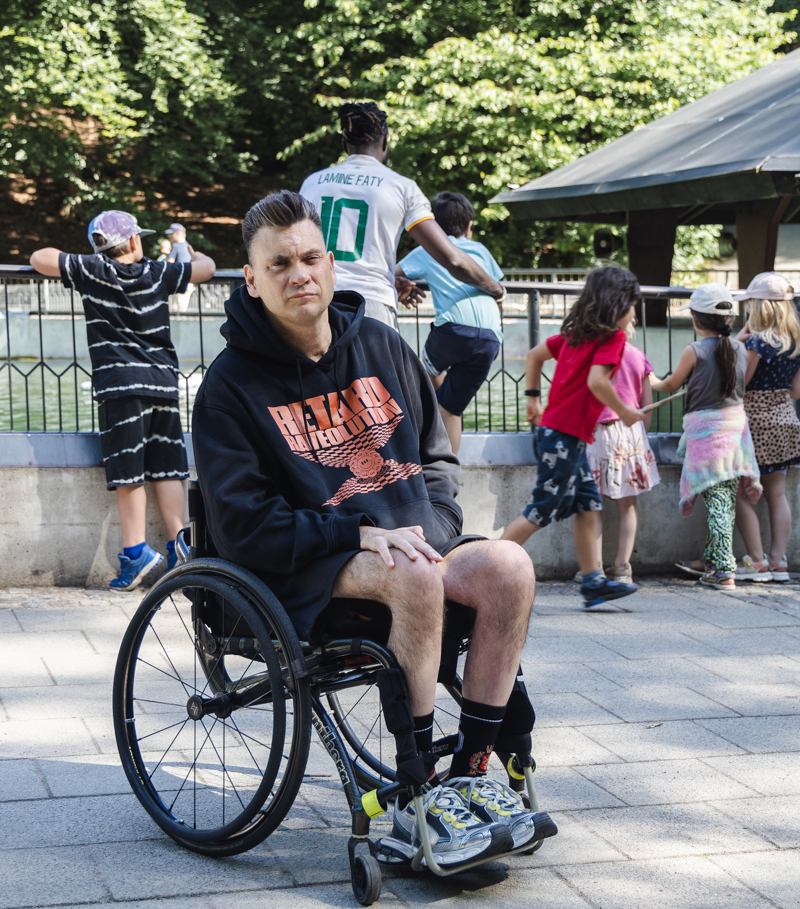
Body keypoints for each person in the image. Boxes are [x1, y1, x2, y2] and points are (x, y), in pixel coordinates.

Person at [191, 190, 552, 866]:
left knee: (509, 566)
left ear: (330, 265)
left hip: (412, 551)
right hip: (300, 573)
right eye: (279, 265)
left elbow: (437, 458)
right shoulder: (230, 387)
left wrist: (435, 524)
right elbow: (242, 526)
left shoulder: (382, 344)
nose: (298, 274)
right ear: (252, 279)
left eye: (308, 258)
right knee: (410, 571)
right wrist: (355, 534)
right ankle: (416, 790)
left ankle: (473, 772)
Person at [29, 211, 216, 590]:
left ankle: (136, 554)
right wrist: (188, 253)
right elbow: (208, 268)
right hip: (162, 383)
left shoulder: (91, 271)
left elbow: (39, 258)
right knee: (169, 467)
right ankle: (182, 546)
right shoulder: (160, 272)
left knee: (128, 471)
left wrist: (83, 259)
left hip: (120, 385)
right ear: (134, 242)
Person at [500, 265, 645, 610]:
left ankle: (593, 581)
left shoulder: (577, 332)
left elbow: (535, 355)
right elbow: (598, 382)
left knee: (588, 504)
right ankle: (484, 567)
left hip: (564, 436)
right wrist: (625, 411)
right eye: (633, 305)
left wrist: (533, 397)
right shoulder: (613, 338)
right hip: (564, 438)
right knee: (542, 510)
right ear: (618, 305)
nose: (635, 313)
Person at [298, 103, 504, 328]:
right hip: (371, 308)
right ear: (385, 141)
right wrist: (496, 289)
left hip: (317, 302)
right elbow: (453, 259)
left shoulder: (312, 183)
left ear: (344, 144)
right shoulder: (402, 187)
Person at [652, 283, 760, 590]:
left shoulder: (694, 350)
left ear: (697, 321)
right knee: (723, 496)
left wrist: (649, 378)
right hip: (736, 433)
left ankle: (724, 570)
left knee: (718, 502)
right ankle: (712, 557)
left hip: (707, 436)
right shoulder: (740, 349)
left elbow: (671, 385)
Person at [397, 192, 505, 453]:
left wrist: (404, 284)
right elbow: (497, 286)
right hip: (491, 337)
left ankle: (431, 408)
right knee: (451, 409)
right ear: (469, 227)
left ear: (432, 226)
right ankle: (449, 478)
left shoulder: (427, 250)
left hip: (453, 330)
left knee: (427, 363)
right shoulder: (480, 249)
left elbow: (393, 272)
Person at [733, 271, 800, 583]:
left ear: (758, 308)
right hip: (785, 421)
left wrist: (737, 342)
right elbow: (798, 391)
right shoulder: (795, 345)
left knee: (740, 493)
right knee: (777, 494)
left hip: (755, 424)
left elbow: (741, 381)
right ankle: (778, 562)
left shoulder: (756, 342)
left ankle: (757, 560)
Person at [586, 319, 659, 585]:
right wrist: (641, 435)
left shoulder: (593, 357)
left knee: (593, 506)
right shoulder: (639, 356)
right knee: (627, 505)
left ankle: (594, 569)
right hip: (631, 432)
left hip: (598, 432)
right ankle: (622, 566)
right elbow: (646, 404)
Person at [164, 222, 194, 313]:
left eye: (171, 234)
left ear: (178, 234)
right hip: (188, 280)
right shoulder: (188, 246)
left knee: (174, 310)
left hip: (177, 281)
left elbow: (170, 263)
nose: (170, 237)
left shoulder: (176, 246)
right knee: (183, 308)